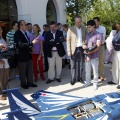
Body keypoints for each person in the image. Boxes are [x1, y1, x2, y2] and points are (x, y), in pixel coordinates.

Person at [14, 20, 38, 89]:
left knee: (30, 70)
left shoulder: (25, 33)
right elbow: (20, 45)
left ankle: (30, 83)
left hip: (28, 55)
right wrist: (31, 43)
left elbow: (27, 44)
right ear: (21, 26)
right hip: (21, 57)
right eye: (25, 25)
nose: (26, 26)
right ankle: (23, 84)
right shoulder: (17, 34)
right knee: (22, 71)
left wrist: (31, 48)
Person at [67, 16, 88, 85]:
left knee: (81, 65)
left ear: (81, 21)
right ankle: (73, 79)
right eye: (76, 22)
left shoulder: (84, 28)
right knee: (73, 65)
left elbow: (87, 37)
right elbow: (68, 40)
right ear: (74, 22)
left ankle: (80, 78)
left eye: (79, 22)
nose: (77, 23)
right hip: (73, 49)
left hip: (81, 48)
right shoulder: (70, 29)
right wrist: (69, 50)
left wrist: (85, 44)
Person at [83, 20, 102, 90]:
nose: (88, 28)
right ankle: (88, 82)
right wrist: (83, 46)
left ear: (94, 26)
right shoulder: (87, 35)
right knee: (87, 70)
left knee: (95, 71)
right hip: (87, 56)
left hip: (94, 55)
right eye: (87, 27)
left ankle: (95, 83)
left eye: (90, 27)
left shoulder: (98, 35)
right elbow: (84, 43)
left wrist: (91, 52)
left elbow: (98, 46)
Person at [93, 17, 106, 81]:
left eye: (96, 21)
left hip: (101, 47)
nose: (94, 23)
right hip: (93, 47)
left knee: (101, 61)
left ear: (99, 22)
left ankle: (101, 74)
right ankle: (93, 74)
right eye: (94, 22)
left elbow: (102, 38)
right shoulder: (92, 28)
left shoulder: (102, 28)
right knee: (93, 60)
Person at [0, 26, 9, 100]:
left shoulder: (2, 38)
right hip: (0, 63)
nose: (1, 31)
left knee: (5, 78)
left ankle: (5, 91)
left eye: (1, 29)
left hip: (5, 61)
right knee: (1, 79)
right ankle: (1, 94)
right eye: (0, 30)